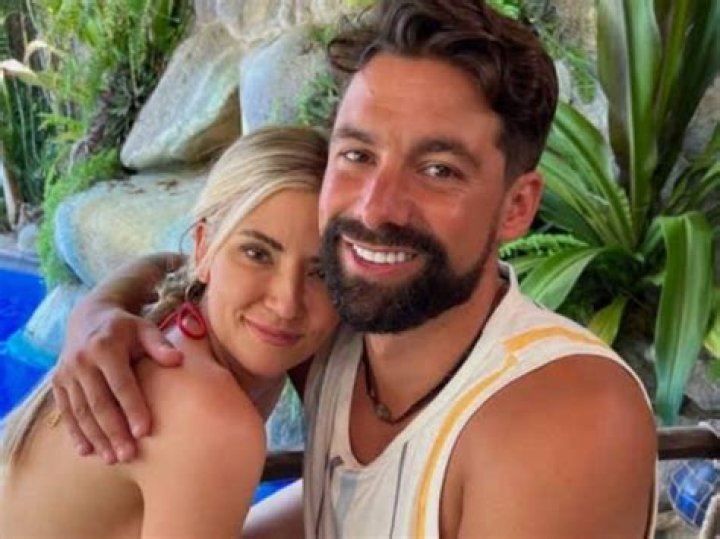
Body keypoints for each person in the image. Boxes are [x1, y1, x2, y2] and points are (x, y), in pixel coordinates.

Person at [51, 1, 659, 537]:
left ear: (516, 206)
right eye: (358, 155)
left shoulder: (563, 420)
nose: (375, 208)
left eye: (439, 170)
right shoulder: (336, 322)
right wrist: (102, 309)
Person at [0, 126, 339, 538]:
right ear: (204, 248)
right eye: (257, 253)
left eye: (322, 272)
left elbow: (170, 263)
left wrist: (103, 300)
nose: (286, 303)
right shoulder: (208, 416)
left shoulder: (188, 318)